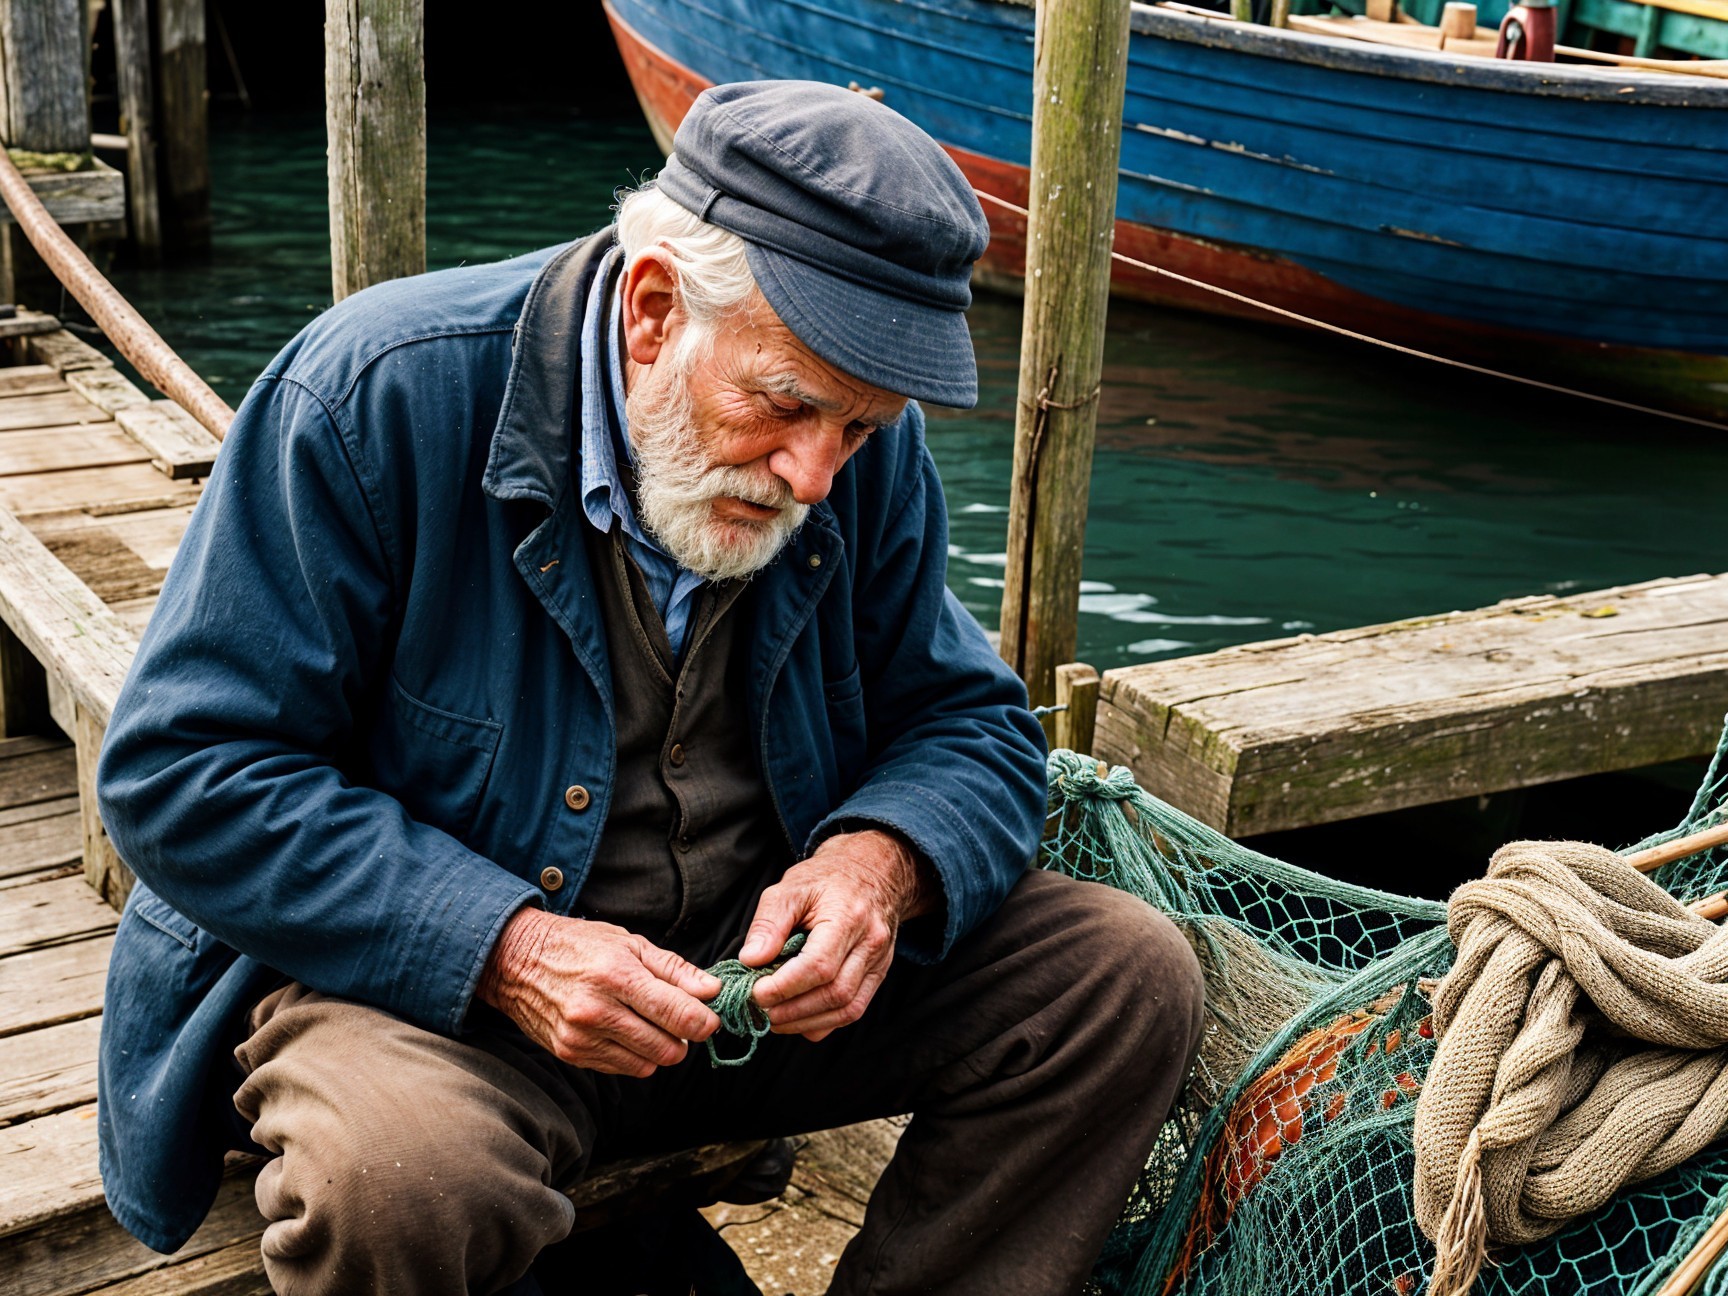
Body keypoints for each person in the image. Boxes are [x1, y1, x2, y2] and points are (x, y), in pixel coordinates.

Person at [95, 80, 1205, 1296]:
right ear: (653, 308)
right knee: (403, 1179)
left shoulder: (850, 454)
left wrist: (877, 867)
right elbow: (183, 774)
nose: (815, 476)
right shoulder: (376, 394)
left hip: (737, 994)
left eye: (860, 430)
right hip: (426, 1002)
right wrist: (507, 945)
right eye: (784, 408)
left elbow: (973, 722)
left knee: (1120, 980)